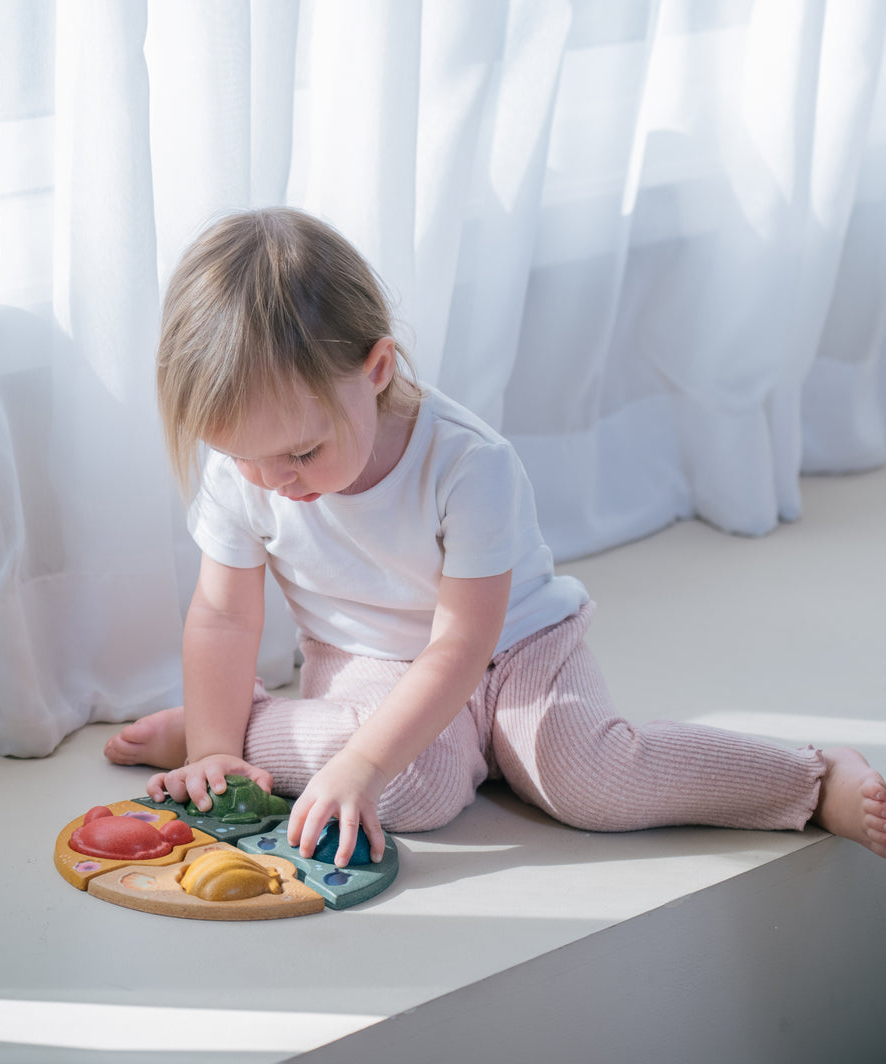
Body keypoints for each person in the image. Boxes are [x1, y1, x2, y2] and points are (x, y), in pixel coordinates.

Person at [105, 207, 886, 870]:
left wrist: (361, 760)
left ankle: (811, 781)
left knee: (589, 779)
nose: (275, 480)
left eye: (302, 453)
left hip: (514, 650)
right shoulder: (249, 472)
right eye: (245, 456)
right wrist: (216, 746)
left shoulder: (468, 466)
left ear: (376, 370)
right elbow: (223, 617)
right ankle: (224, 733)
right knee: (414, 793)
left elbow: (461, 649)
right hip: (371, 663)